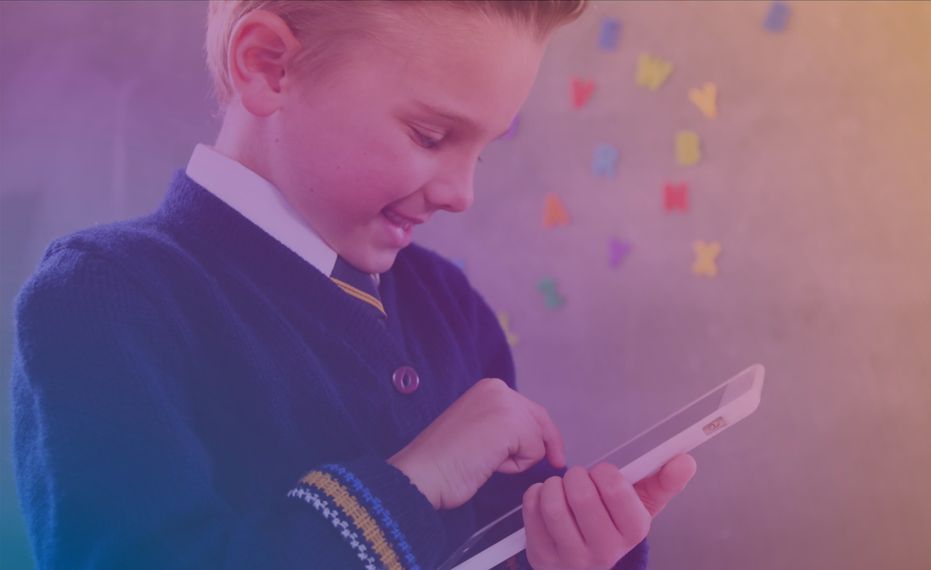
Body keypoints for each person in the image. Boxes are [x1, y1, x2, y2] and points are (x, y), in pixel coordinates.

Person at [10, 1, 697, 568]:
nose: (463, 193)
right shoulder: (104, 300)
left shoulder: (453, 310)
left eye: (482, 149)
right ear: (269, 66)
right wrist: (416, 480)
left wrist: (573, 552)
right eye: (432, 136)